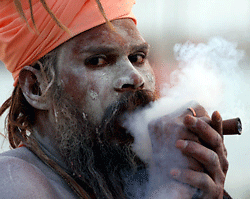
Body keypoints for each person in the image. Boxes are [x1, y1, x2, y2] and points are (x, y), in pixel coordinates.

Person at [0, 0, 231, 198]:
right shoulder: (12, 179)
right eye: (98, 61)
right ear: (36, 87)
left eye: (138, 57)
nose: (135, 77)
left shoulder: (129, 169)